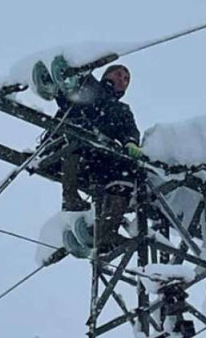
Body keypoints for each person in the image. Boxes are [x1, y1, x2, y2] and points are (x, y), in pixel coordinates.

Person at [53, 64, 142, 252]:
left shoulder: (122, 110)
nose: (122, 80)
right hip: (73, 143)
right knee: (76, 140)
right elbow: (64, 95)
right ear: (107, 75)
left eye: (126, 79)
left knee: (126, 172)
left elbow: (130, 130)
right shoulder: (90, 86)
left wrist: (130, 142)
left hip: (97, 157)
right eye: (119, 74)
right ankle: (70, 195)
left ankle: (106, 229)